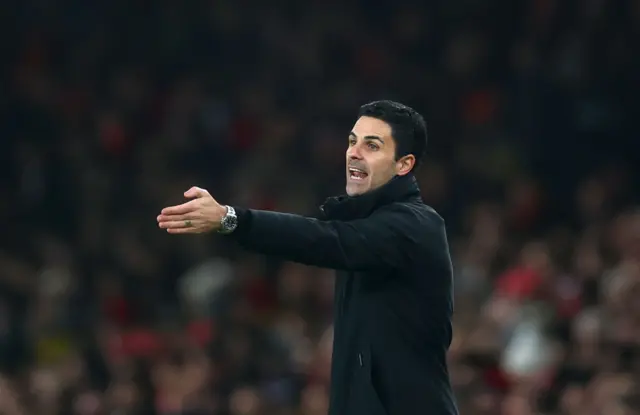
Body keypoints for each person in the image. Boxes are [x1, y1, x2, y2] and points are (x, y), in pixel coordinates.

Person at [157, 100, 459, 415]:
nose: (354, 152)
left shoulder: (416, 225)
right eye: (352, 141)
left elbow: (321, 239)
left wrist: (231, 218)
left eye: (372, 145)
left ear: (403, 164)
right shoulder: (366, 226)